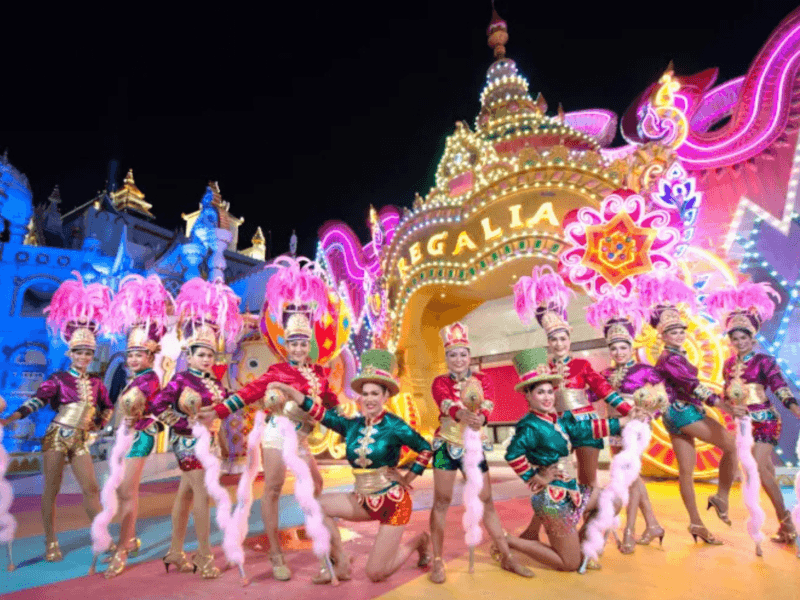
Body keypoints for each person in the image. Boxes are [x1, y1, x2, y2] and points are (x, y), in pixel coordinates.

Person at [207, 257, 338, 582]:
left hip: (303, 438)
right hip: (278, 436)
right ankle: (276, 554)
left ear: (309, 344)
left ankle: (317, 531)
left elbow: (330, 401)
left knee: (317, 484)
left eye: (302, 343)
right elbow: (248, 392)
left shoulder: (318, 372)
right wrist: (218, 411)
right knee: (275, 489)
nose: (297, 348)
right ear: (285, 344)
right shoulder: (277, 371)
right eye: (292, 343)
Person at [273, 349, 432, 584]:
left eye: (375, 393)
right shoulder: (352, 426)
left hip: (393, 504)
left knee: (376, 573)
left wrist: (408, 479)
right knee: (315, 506)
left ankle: (418, 541)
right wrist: (292, 392)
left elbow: (426, 448)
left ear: (385, 395)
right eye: (365, 393)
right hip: (362, 500)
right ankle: (341, 563)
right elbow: (321, 414)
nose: (368, 399)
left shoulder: (395, 425)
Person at [0, 275, 114, 562]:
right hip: (56, 436)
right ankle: (51, 541)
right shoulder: (59, 378)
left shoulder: (98, 383)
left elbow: (107, 408)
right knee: (51, 488)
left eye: (88, 352)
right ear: (70, 352)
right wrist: (9, 419)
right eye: (79, 352)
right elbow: (37, 401)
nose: (84, 356)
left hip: (81, 440)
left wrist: (98, 425)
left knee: (91, 488)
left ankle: (101, 536)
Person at [513, 267, 629, 541]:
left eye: (563, 338)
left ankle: (587, 535)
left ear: (569, 339)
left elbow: (603, 390)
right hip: (557, 429)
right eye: (553, 339)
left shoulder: (581, 364)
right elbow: (535, 398)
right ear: (548, 342)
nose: (558, 343)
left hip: (586, 425)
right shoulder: (543, 369)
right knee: (552, 478)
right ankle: (533, 531)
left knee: (589, 482)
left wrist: (627, 411)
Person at [503, 348, 631, 572]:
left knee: (612, 502)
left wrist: (623, 421)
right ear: (528, 396)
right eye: (540, 392)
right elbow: (512, 454)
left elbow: (586, 427)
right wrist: (534, 476)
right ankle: (509, 542)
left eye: (549, 392)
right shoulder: (530, 425)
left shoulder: (557, 420)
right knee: (568, 564)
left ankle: (582, 547)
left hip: (572, 494)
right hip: (553, 502)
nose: (547, 397)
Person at [150, 277, 242, 579]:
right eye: (201, 354)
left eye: (210, 355)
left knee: (185, 496)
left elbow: (232, 402)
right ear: (188, 356)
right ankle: (204, 558)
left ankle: (175, 552)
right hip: (187, 444)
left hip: (209, 444)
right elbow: (157, 405)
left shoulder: (214, 382)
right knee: (202, 496)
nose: (206, 359)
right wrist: (182, 421)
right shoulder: (180, 380)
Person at [427, 322, 532, 583]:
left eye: (463, 354)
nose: (459, 359)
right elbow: (444, 401)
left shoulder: (483, 379)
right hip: (446, 446)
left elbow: (489, 401)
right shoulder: (439, 381)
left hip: (474, 444)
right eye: (453, 354)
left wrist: (482, 418)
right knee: (441, 501)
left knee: (486, 501)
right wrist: (460, 413)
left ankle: (506, 555)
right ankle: (437, 560)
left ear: (469, 356)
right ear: (447, 358)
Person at [637, 272, 737, 545]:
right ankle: (721, 497)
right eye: (673, 331)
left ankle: (696, 523)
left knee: (686, 472)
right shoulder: (669, 358)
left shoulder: (674, 356)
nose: (680, 334)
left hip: (676, 415)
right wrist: (724, 406)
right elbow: (694, 386)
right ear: (663, 335)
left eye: (682, 330)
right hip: (684, 412)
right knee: (731, 445)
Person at [707, 281, 800, 543]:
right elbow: (728, 394)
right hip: (744, 425)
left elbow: (780, 388)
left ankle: (787, 524)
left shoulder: (764, 361)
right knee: (766, 472)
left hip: (767, 420)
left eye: (744, 337)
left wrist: (795, 409)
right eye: (735, 338)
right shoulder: (727, 365)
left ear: (752, 337)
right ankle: (786, 525)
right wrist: (725, 404)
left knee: (758, 468)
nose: (739, 342)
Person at [103, 274, 173, 578]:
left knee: (127, 491)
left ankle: (123, 548)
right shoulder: (132, 378)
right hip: (125, 435)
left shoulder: (149, 379)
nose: (133, 358)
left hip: (140, 436)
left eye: (139, 354)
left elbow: (152, 405)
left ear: (150, 355)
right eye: (130, 354)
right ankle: (129, 538)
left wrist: (152, 421)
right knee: (121, 490)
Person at [586, 294, 667, 553]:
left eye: (623, 347)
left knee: (630, 477)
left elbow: (663, 398)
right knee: (631, 477)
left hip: (637, 427)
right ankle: (652, 524)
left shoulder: (645, 370)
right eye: (614, 348)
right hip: (613, 427)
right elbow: (587, 395)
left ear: (631, 346)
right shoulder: (605, 375)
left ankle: (630, 530)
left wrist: (648, 413)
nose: (618, 352)